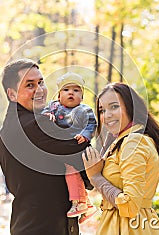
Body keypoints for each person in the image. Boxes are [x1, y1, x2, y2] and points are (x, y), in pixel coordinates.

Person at [0, 59, 91, 235]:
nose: (39, 90)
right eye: (30, 85)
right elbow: (82, 157)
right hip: (44, 226)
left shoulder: (8, 127)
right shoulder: (36, 124)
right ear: (12, 94)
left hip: (26, 223)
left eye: (41, 82)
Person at [82, 82, 159, 235]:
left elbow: (130, 205)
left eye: (114, 106)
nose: (107, 115)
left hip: (128, 228)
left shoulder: (133, 142)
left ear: (131, 108)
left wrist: (96, 177)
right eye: (102, 110)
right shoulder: (125, 141)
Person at [42, 72, 97, 221]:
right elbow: (43, 113)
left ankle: (78, 202)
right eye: (66, 90)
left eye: (76, 90)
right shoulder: (54, 107)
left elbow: (91, 123)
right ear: (59, 95)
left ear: (82, 96)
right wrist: (47, 116)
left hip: (78, 145)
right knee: (67, 172)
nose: (71, 92)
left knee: (71, 170)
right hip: (62, 146)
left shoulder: (84, 110)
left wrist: (85, 135)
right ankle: (87, 204)